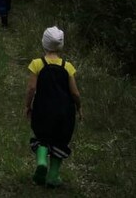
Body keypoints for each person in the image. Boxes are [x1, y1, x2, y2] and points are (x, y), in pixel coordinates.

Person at [25, 26, 82, 187]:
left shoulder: (37, 64)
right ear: (61, 45)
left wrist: (27, 106)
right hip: (65, 112)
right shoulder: (67, 66)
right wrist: (79, 107)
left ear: (43, 43)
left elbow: (31, 89)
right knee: (60, 140)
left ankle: (42, 161)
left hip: (43, 109)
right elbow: (75, 93)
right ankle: (53, 176)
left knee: (42, 136)